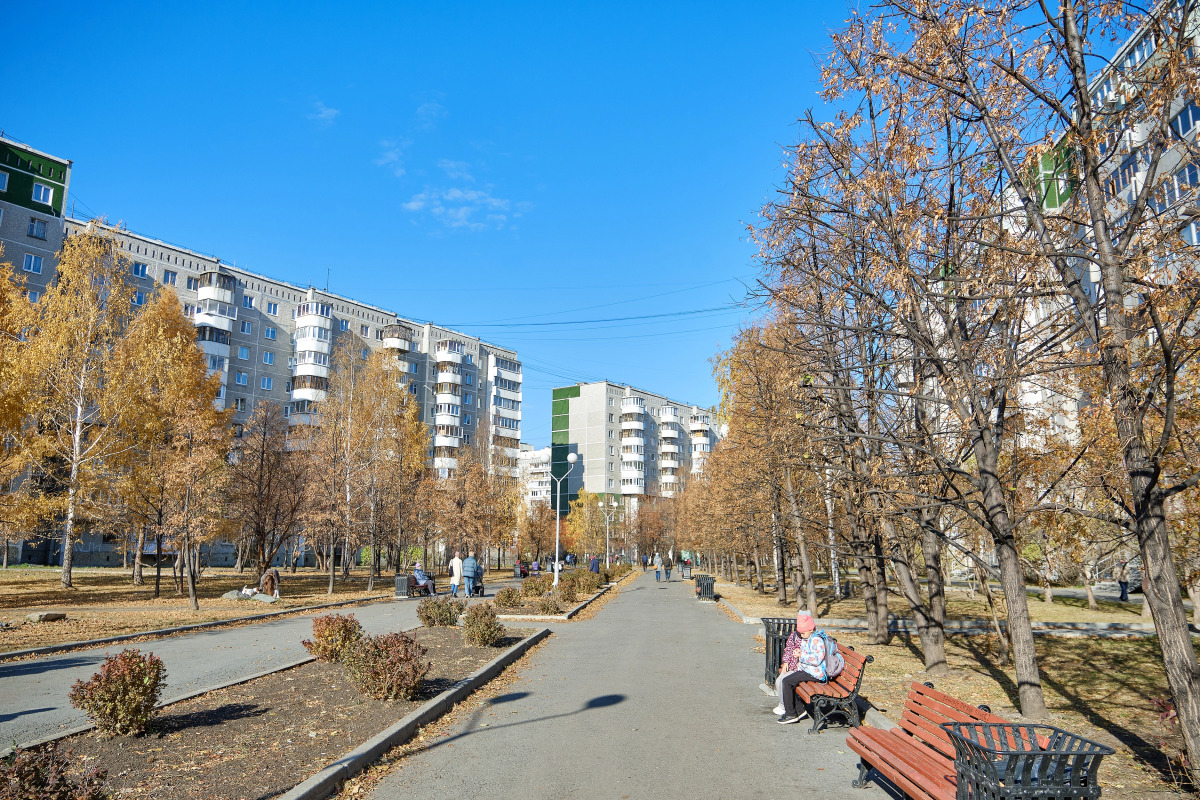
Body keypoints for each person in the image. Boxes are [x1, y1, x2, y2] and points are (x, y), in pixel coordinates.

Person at [774, 612, 826, 724]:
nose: (801, 635)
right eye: (800, 633)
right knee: (786, 680)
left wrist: (801, 655)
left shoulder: (817, 640)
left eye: (803, 633)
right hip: (807, 670)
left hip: (815, 673)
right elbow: (807, 653)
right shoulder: (808, 639)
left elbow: (817, 659)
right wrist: (800, 652)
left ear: (811, 629)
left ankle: (791, 714)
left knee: (787, 681)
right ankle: (799, 710)